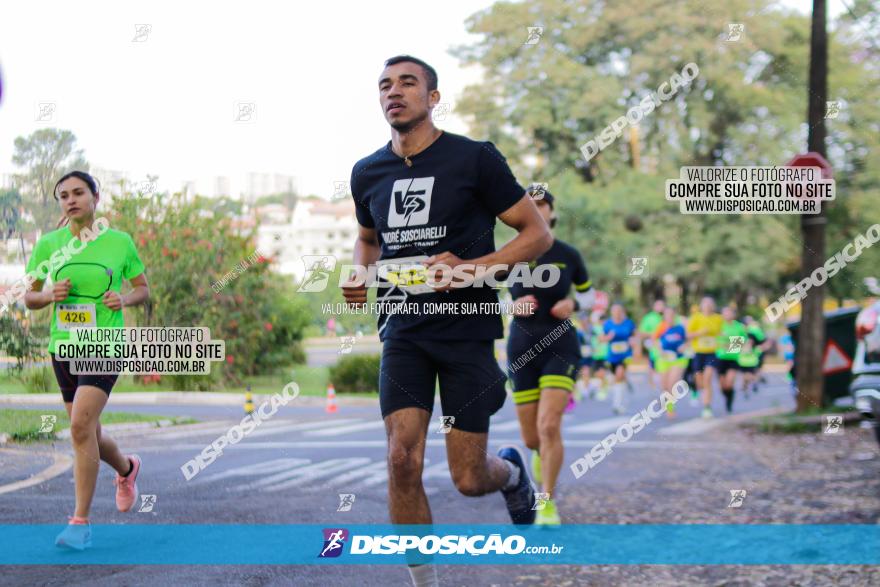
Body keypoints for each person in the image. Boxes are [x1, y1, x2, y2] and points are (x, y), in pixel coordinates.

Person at [341, 55, 552, 587]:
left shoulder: (473, 159)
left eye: (408, 83)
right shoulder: (367, 172)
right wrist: (359, 274)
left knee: (468, 478)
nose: (395, 92)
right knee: (401, 458)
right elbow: (368, 240)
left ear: (433, 98)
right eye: (385, 84)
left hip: (467, 330)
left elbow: (535, 236)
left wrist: (468, 270)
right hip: (404, 329)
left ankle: (510, 472)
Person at [23, 171, 150, 550]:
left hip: (104, 343)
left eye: (78, 192)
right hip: (63, 346)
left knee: (79, 427)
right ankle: (127, 469)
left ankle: (79, 524)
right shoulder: (49, 245)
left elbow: (143, 288)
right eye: (63, 195)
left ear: (96, 196)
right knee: (89, 432)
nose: (71, 200)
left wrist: (123, 299)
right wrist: (49, 295)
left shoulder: (120, 242)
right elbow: (28, 297)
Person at [507, 187, 594, 525]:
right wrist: (511, 306)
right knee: (532, 438)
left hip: (561, 344)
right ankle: (540, 474)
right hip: (521, 348)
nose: (536, 209)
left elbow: (591, 297)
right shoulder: (509, 256)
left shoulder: (569, 255)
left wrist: (575, 304)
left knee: (549, 425)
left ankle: (547, 503)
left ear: (552, 212)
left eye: (541, 204)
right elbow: (487, 304)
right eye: (530, 204)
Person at [686, 296, 723, 418]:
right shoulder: (696, 318)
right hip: (698, 353)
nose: (707, 307)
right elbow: (688, 335)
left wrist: (724, 341)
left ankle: (707, 407)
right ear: (701, 306)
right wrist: (700, 333)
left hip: (712, 353)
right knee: (700, 382)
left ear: (713, 306)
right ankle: (695, 390)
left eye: (710, 304)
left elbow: (723, 333)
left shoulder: (718, 319)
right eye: (705, 304)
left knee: (708, 379)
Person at [601, 303, 637, 414]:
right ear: (611, 312)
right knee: (617, 378)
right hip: (612, 356)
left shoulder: (628, 323)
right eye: (614, 311)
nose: (617, 313)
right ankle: (626, 384)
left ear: (622, 312)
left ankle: (617, 404)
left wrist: (633, 341)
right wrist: (608, 337)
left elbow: (635, 335)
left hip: (625, 355)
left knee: (619, 375)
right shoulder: (607, 324)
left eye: (619, 311)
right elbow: (601, 339)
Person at [653, 307, 688, 418]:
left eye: (672, 315)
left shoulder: (680, 328)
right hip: (664, 359)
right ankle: (669, 405)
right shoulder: (661, 327)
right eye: (667, 315)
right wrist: (659, 349)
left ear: (675, 316)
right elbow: (653, 340)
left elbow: (688, 340)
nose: (669, 317)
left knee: (671, 383)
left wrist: (684, 346)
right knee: (664, 386)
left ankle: (670, 409)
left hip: (678, 359)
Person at [715, 306, 748, 414]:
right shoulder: (718, 326)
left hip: (733, 358)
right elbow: (715, 342)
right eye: (725, 313)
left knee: (729, 383)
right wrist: (728, 344)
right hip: (720, 358)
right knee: (722, 385)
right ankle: (727, 397)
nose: (727, 315)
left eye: (729, 313)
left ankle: (729, 402)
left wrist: (726, 344)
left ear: (733, 315)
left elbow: (741, 343)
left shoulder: (739, 327)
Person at [638, 299, 666, 390]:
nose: (660, 308)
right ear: (654, 307)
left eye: (662, 305)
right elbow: (641, 332)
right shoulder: (649, 318)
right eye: (658, 305)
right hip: (653, 344)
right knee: (653, 362)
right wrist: (653, 334)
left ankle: (662, 381)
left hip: (666, 344)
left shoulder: (668, 316)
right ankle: (653, 382)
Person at [739, 316, 770, 396]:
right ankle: (747, 385)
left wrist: (759, 349)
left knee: (751, 373)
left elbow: (764, 343)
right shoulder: (739, 334)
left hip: (753, 358)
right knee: (745, 376)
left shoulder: (754, 332)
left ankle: (755, 382)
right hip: (741, 359)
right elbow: (733, 348)